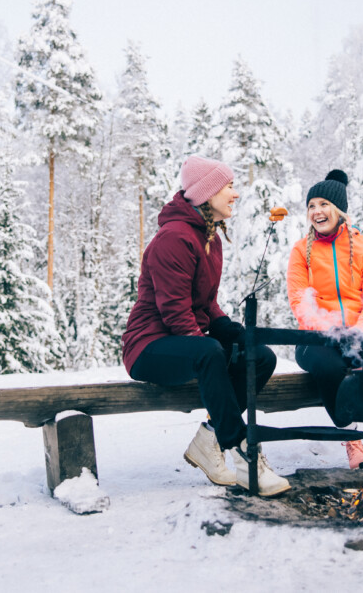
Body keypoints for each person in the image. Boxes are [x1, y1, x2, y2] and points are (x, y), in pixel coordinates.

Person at [121, 155, 291, 497]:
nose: (235, 194)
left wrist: (233, 332)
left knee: (259, 356)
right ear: (207, 193)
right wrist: (214, 349)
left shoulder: (208, 236)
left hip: (188, 341)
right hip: (148, 347)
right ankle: (244, 452)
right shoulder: (174, 238)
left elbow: (206, 303)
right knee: (211, 352)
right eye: (229, 186)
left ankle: (208, 439)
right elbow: (175, 312)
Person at [286, 169, 363, 470]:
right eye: (311, 206)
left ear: (339, 209)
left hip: (360, 332)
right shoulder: (301, 251)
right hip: (316, 338)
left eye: (323, 204)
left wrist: (359, 329)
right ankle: (351, 436)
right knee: (332, 367)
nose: (316, 211)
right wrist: (330, 330)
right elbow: (299, 300)